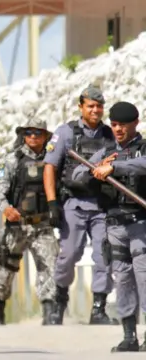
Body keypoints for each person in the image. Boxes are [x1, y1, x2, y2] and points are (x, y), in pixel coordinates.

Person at [71, 101, 146, 352]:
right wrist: (94, 171)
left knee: (144, 278)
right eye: (113, 125)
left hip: (140, 223)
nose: (118, 130)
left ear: (135, 124)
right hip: (114, 224)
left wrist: (115, 167)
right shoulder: (106, 151)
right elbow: (76, 175)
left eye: (122, 125)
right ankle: (129, 336)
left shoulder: (142, 149)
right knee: (123, 279)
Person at [42, 86, 115, 325]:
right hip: (73, 204)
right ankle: (59, 300)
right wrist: (52, 203)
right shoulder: (66, 133)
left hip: (102, 206)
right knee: (69, 255)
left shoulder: (109, 135)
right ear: (80, 107)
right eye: (91, 106)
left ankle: (98, 309)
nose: (95, 110)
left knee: (104, 255)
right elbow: (50, 167)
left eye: (99, 106)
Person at [0, 117, 59, 326]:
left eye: (37, 133)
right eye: (28, 133)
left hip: (42, 225)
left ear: (45, 136)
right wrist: (7, 209)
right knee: (6, 268)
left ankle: (49, 313)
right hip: (17, 226)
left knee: (49, 267)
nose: (32, 137)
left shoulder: (52, 158)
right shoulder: (12, 159)